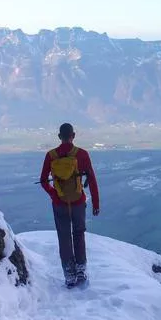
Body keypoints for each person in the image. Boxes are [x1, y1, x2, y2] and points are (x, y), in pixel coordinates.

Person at [40, 123, 100, 287]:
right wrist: (96, 203)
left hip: (59, 203)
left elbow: (44, 180)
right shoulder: (82, 154)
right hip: (78, 202)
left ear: (59, 136)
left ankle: (69, 275)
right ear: (73, 135)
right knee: (79, 234)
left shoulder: (51, 155)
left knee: (64, 237)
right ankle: (81, 270)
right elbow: (92, 180)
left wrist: (55, 194)